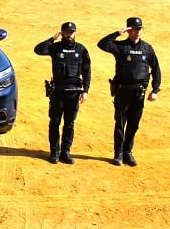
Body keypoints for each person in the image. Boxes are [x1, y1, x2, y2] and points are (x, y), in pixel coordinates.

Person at [97, 17, 161, 166]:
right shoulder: (120, 47)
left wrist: (155, 89)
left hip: (139, 93)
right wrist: (118, 33)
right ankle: (118, 153)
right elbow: (102, 44)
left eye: (139, 29)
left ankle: (128, 152)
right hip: (122, 92)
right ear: (128, 30)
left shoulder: (147, 48)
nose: (137, 32)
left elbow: (156, 69)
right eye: (134, 29)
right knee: (120, 124)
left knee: (133, 124)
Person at [34, 22, 92, 164]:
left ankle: (66, 152)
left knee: (69, 123)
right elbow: (38, 50)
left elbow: (87, 71)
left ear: (75, 33)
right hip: (58, 93)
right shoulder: (55, 48)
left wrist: (85, 91)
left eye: (71, 32)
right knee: (54, 122)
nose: (69, 35)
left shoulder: (81, 49)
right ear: (62, 33)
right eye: (66, 32)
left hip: (73, 93)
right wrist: (52, 39)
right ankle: (54, 152)